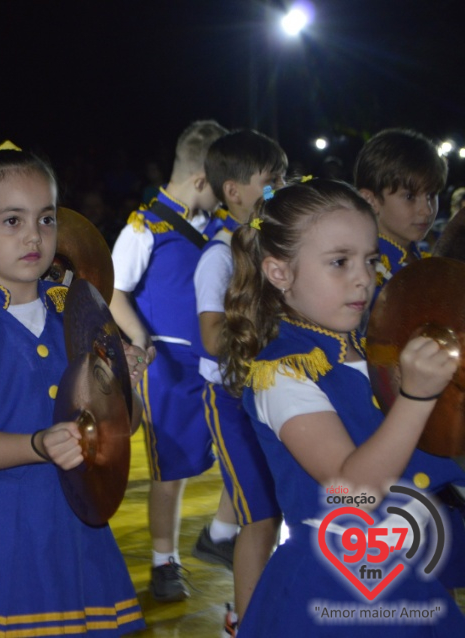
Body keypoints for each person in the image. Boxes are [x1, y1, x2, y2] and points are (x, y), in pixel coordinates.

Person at [220, 178, 465, 636]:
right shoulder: (285, 372)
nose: (363, 277)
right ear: (279, 272)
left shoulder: (377, 347)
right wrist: (416, 397)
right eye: (339, 262)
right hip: (338, 586)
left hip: (410, 568)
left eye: (370, 260)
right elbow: (353, 489)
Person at [0, 146, 147, 636]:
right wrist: (38, 444)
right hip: (4, 532)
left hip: (79, 523)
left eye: (46, 219)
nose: (34, 235)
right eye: (11, 221)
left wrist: (128, 386)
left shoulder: (80, 310)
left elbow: (121, 429)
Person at [108, 119, 237, 602]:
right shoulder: (144, 228)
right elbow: (113, 292)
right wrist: (140, 338)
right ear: (202, 180)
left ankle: (221, 533)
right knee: (171, 473)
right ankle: (165, 563)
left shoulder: (222, 228)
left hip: (219, 365)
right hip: (169, 370)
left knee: (245, 452)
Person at [196, 129, 286, 631]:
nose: (280, 189)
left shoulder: (268, 244)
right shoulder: (219, 256)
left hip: (263, 392)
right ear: (234, 191)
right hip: (228, 398)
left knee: (273, 509)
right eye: (271, 182)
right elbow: (211, 339)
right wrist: (263, 329)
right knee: (260, 514)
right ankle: (247, 622)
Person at [353, 128, 446, 301]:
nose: (427, 210)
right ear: (370, 200)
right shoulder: (363, 270)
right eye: (409, 197)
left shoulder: (418, 255)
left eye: (431, 195)